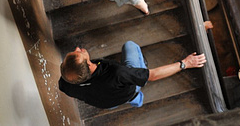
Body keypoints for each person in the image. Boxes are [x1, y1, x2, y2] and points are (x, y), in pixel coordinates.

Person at [59, 41, 207, 109]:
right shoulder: (118, 73)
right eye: (78, 52)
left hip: (107, 103)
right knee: (130, 46)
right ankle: (135, 94)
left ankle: (134, 99)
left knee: (116, 95)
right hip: (125, 88)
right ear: (89, 65)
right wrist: (185, 63)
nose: (78, 48)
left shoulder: (65, 84)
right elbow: (153, 75)